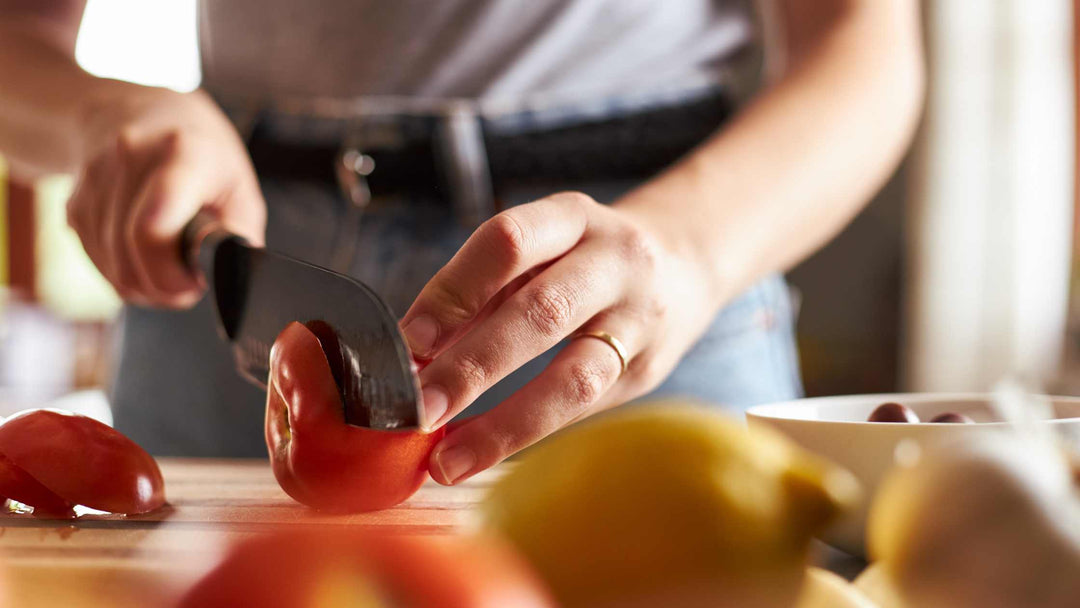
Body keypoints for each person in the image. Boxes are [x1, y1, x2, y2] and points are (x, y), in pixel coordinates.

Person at [0, 0, 923, 485]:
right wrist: (98, 112)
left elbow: (863, 43)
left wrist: (687, 247)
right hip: (228, 261)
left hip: (631, 273)